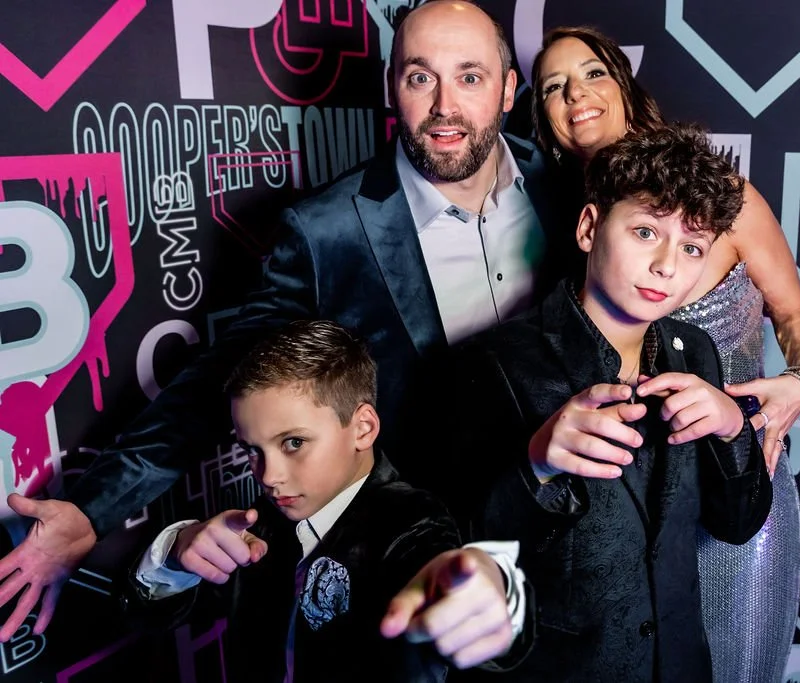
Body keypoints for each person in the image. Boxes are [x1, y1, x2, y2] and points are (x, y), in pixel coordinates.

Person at [0, 1, 566, 658]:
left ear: (507, 88)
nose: (444, 105)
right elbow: (218, 380)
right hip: (425, 564)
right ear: (392, 88)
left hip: (567, 538)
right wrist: (91, 509)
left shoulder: (562, 185)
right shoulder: (326, 230)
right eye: (420, 77)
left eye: (469, 77)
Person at [426, 125, 772, 681]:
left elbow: (736, 525)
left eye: (691, 247)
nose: (667, 265)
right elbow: (454, 553)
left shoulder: (697, 353)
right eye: (644, 231)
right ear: (589, 227)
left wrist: (734, 431)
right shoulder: (498, 362)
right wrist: (534, 466)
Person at [531, 26, 800, 682]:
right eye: (553, 87)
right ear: (546, 125)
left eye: (593, 73)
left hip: (732, 496)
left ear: (627, 89)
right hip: (620, 510)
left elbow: (797, 313)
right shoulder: (565, 231)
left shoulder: (724, 198)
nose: (576, 93)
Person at [123, 320, 519, 681]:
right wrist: (176, 551)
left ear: (362, 428)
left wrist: (491, 586)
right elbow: (143, 617)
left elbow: (444, 573)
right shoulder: (255, 529)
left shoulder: (409, 520)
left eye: (293, 443)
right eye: (252, 450)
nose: (268, 476)